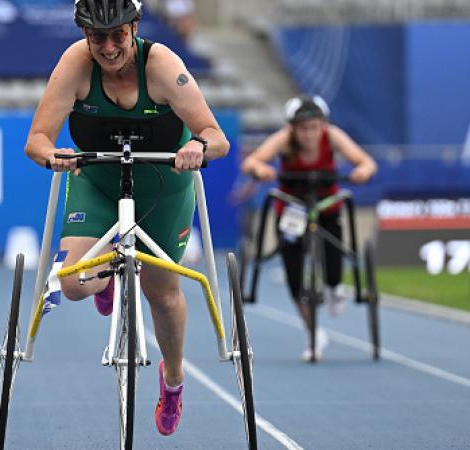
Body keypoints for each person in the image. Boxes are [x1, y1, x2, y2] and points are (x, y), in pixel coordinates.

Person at [25, 0, 229, 436]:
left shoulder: (162, 65)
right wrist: (54, 155)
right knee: (74, 284)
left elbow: (217, 138)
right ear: (84, 34)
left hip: (161, 187)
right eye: (97, 36)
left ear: (135, 27)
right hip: (98, 181)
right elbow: (37, 140)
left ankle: (172, 381)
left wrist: (198, 146)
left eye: (118, 34)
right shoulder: (75, 64)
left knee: (162, 292)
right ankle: (112, 274)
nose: (108, 47)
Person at [240, 94, 376, 361]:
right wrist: (262, 170)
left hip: (327, 204)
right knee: (293, 276)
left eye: (314, 127)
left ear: (322, 125)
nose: (309, 134)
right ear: (292, 128)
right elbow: (251, 162)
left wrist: (362, 171)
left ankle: (335, 287)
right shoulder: (283, 139)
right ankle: (313, 333)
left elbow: (367, 162)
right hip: (292, 207)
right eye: (303, 128)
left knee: (333, 263)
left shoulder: (333, 136)